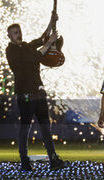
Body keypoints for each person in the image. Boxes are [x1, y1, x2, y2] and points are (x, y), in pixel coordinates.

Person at [6, 12, 69, 171]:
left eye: (19, 31)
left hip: (38, 94)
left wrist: (51, 21)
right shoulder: (11, 50)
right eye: (14, 33)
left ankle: (53, 159)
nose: (18, 35)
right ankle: (24, 161)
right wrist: (49, 43)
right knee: (25, 128)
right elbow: (34, 57)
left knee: (46, 128)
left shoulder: (26, 46)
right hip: (25, 95)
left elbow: (42, 39)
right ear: (9, 36)